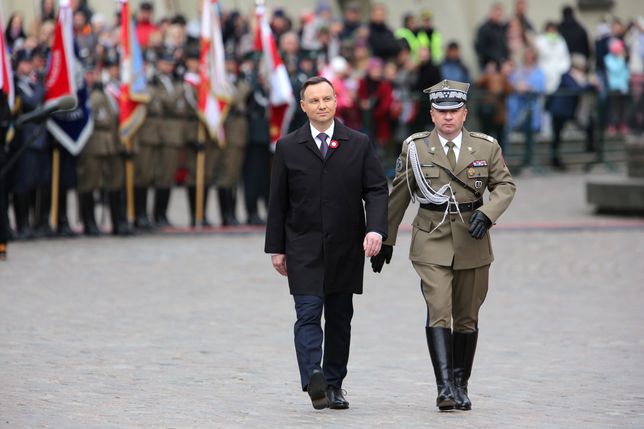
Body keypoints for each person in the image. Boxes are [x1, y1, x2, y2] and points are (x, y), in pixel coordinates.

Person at [371, 80, 516, 411]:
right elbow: (399, 196)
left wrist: (489, 213)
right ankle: (445, 387)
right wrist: (386, 239)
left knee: (467, 316)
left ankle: (462, 383)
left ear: (464, 114)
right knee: (438, 308)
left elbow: (505, 185)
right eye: (441, 112)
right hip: (431, 237)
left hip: (473, 237)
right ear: (432, 114)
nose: (448, 118)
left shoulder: (486, 148)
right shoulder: (415, 148)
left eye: (454, 112)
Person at [264, 76, 388, 410]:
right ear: (303, 107)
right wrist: (276, 248)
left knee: (338, 318)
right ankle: (313, 376)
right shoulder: (288, 146)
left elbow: (376, 189)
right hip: (302, 246)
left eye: (327, 99)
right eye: (314, 101)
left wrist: (376, 229)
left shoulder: (358, 143)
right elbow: (278, 202)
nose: (322, 106)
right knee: (307, 313)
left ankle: (334, 384)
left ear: (336, 102)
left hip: (346, 247)